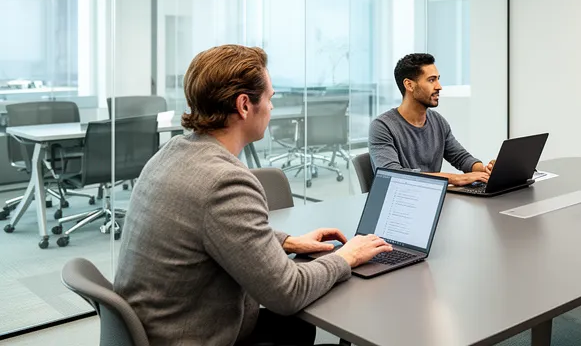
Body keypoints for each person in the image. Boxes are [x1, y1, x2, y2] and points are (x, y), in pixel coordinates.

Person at [115, 45, 392, 346]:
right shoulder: (225, 182)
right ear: (244, 105)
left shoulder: (173, 152)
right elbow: (288, 293)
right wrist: (345, 257)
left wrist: (287, 241)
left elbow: (211, 226)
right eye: (270, 98)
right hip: (191, 336)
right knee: (295, 320)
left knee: (295, 329)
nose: (272, 107)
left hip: (158, 326)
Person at [369, 53, 494, 186]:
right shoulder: (382, 126)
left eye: (438, 79)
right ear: (409, 85)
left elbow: (461, 158)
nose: (439, 86)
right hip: (400, 202)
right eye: (431, 80)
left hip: (431, 200)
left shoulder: (438, 121)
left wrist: (484, 170)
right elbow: (393, 175)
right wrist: (454, 178)